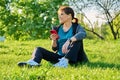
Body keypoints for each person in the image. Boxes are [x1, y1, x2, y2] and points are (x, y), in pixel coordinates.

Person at [18, 6, 89, 68]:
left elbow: (83, 34)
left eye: (62, 14)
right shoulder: (57, 28)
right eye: (59, 14)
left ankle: (65, 62)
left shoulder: (76, 26)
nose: (59, 16)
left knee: (77, 40)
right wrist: (54, 40)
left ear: (69, 15)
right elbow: (54, 48)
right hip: (60, 58)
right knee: (38, 49)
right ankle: (34, 62)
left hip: (74, 58)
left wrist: (69, 40)